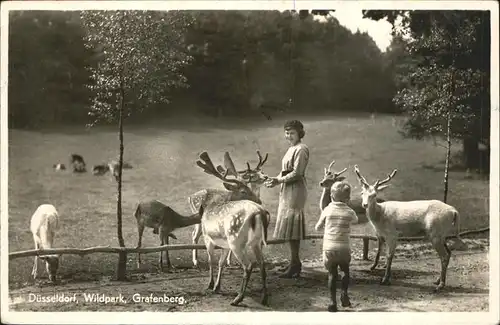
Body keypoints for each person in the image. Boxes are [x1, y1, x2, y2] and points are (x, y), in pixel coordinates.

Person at [265, 120, 309, 278]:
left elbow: (297, 173)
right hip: (287, 189)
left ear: (299, 133)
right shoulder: (292, 148)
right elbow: (285, 172)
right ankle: (294, 263)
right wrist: (274, 179)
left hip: (296, 190)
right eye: (287, 133)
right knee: (290, 228)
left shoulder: (301, 149)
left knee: (293, 226)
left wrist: (279, 180)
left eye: (292, 133)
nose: (289, 136)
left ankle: (295, 264)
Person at [315, 181, 358, 312]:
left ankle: (332, 302)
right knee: (345, 271)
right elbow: (356, 220)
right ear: (348, 198)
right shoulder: (349, 211)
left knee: (332, 274)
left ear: (331, 196)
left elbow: (317, 228)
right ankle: (344, 293)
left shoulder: (328, 209)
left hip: (329, 247)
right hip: (344, 247)